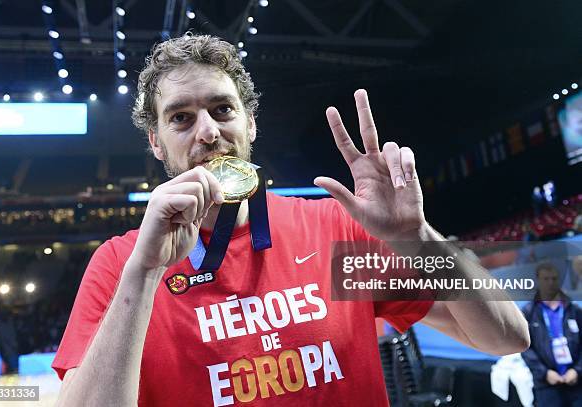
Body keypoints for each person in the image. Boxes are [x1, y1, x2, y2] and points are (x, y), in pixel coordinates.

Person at [53, 34, 529, 406]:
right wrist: (145, 272)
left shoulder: (335, 231)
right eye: (180, 118)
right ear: (156, 142)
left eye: (223, 110)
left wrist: (418, 238)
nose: (209, 132)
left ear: (251, 124)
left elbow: (506, 337)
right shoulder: (121, 264)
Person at [521, 262, 582, 406]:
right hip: (546, 384)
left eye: (554, 279)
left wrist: (577, 370)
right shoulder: (529, 313)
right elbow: (525, 348)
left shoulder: (574, 310)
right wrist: (545, 373)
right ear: (538, 280)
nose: (550, 283)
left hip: (576, 381)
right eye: (546, 279)